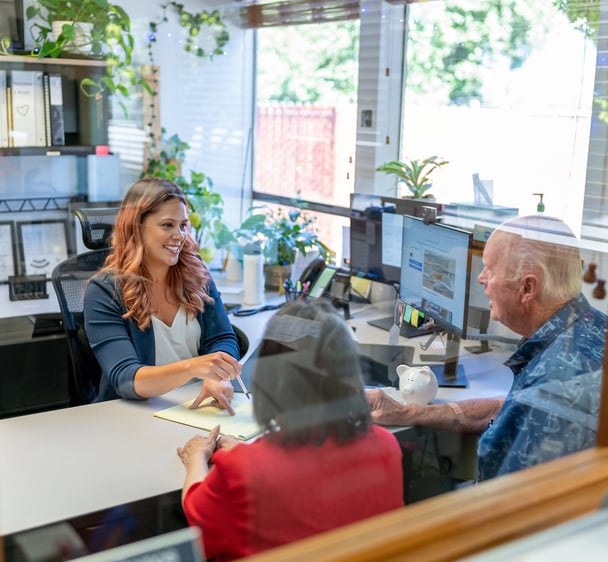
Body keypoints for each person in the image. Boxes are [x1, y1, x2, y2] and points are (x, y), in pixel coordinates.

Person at [367, 214, 607, 480]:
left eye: (490, 270)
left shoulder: (550, 385)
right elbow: (509, 411)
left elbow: (509, 511)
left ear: (527, 287)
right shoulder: (592, 329)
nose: (481, 278)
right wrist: (407, 412)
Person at [177, 300, 404, 561]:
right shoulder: (386, 447)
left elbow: (196, 514)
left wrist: (196, 456)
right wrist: (247, 457)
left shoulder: (244, 471)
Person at [84, 177, 242, 411]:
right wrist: (194, 367)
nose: (179, 235)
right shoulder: (105, 291)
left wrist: (216, 376)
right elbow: (126, 378)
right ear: (136, 227)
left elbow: (222, 338)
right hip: (132, 415)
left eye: (182, 225)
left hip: (195, 407)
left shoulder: (195, 272)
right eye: (167, 225)